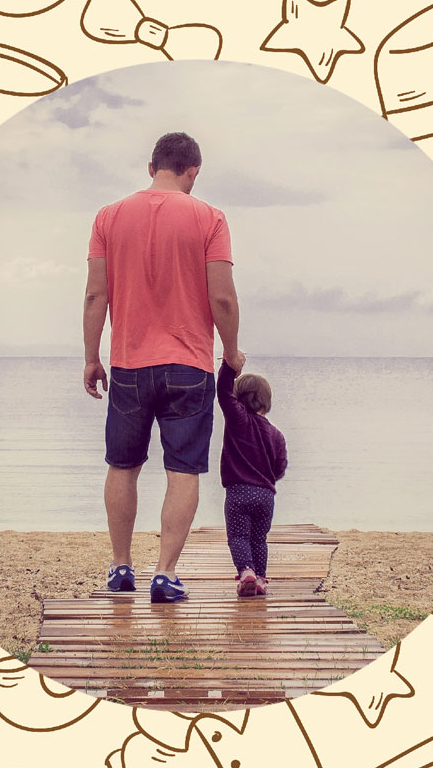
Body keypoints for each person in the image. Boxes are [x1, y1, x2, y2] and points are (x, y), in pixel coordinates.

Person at [83, 132, 245, 602]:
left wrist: (93, 356)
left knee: (122, 466)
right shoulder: (210, 217)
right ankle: (165, 574)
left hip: (128, 364)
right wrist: (231, 351)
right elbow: (222, 296)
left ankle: (119, 568)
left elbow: (96, 294)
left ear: (150, 166)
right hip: (189, 365)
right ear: (193, 170)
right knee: (183, 471)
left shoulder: (108, 217)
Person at [216, 362, 287, 597]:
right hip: (266, 496)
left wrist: (230, 365)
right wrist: (267, 480)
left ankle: (246, 570)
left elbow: (222, 391)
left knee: (238, 536)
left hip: (238, 492)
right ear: (267, 402)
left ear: (238, 399)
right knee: (259, 539)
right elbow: (280, 467)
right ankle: (260, 579)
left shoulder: (239, 421)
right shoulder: (276, 434)